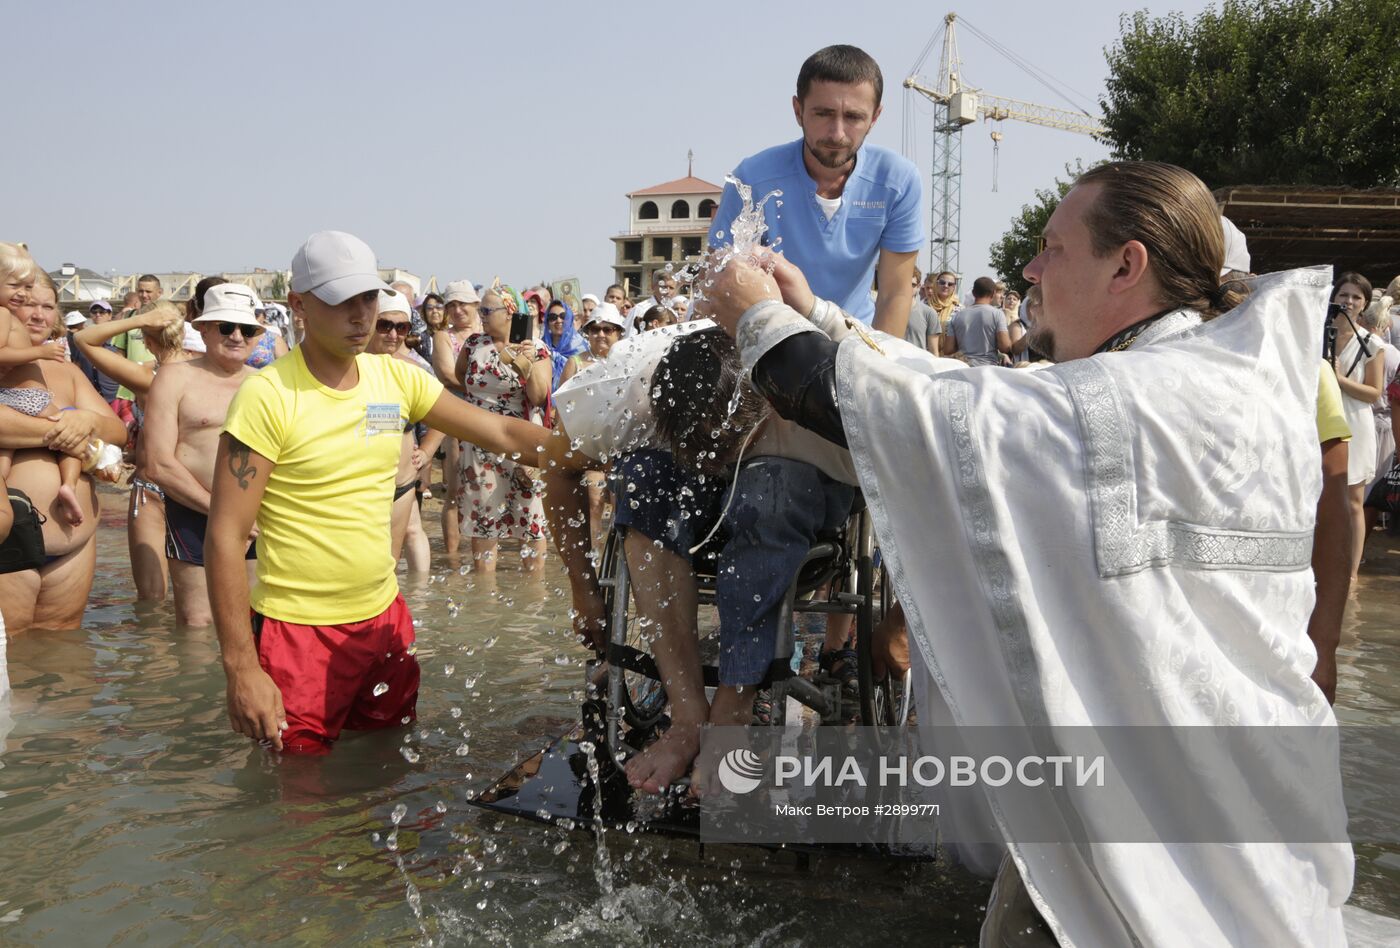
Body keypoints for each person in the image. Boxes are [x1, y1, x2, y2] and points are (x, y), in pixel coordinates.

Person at [706, 160, 1351, 945]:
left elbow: (937, 420)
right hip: (1235, 808)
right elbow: (965, 396)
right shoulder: (1201, 378)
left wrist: (759, 321)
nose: (1028, 268)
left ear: (1127, 264)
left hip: (1152, 859)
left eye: (1052, 247)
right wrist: (820, 315)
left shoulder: (1132, 397)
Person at [207, 231, 553, 754]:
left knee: (388, 768)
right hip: (298, 631)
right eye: (340, 300)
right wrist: (240, 667)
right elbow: (226, 537)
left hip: (383, 619)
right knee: (301, 800)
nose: (359, 314)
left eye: (368, 297)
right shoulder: (267, 395)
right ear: (298, 306)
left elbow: (502, 432)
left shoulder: (394, 379)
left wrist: (593, 452)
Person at [708, 44, 921, 338]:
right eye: (823, 114)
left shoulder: (898, 181)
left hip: (854, 337)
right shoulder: (751, 179)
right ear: (798, 110)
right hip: (772, 341)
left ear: (875, 117)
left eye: (854, 117)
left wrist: (880, 369)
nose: (837, 133)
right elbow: (719, 280)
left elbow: (895, 293)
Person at [0, 282, 126, 633]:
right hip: (9, 536)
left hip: (75, 544)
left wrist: (88, 421)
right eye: (27, 305)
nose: (39, 314)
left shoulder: (68, 371)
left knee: (67, 655)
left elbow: (117, 431)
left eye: (48, 305)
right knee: (11, 650)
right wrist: (67, 436)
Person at [142, 284, 261, 627]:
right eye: (226, 327)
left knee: (254, 620)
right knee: (198, 624)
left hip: (258, 519)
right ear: (203, 328)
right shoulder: (175, 378)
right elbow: (158, 464)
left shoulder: (267, 382)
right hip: (194, 513)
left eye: (247, 329)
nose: (237, 336)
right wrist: (224, 512)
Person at [73, 302, 193, 602]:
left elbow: (84, 339)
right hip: (196, 489)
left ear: (147, 341)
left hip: (152, 492)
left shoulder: (149, 379)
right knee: (196, 602)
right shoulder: (205, 373)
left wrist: (139, 318)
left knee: (151, 601)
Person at [452, 288, 551, 572]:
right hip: (480, 443)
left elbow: (537, 396)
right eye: (480, 311)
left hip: (521, 443)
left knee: (530, 519)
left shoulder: (537, 348)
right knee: (485, 522)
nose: (479, 316)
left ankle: (533, 600)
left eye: (486, 311)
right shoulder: (473, 345)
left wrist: (527, 365)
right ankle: (484, 602)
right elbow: (462, 378)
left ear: (509, 313)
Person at [367, 290, 443, 572]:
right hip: (360, 483)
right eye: (385, 325)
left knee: (409, 535)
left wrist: (426, 453)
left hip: (401, 479)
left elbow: (441, 420)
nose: (393, 334)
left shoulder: (414, 370)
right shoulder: (346, 367)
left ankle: (419, 602)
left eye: (402, 328)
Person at [1329, 272, 1383, 582]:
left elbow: (1374, 393)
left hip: (1355, 422)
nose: (1348, 301)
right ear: (1334, 298)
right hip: (1319, 419)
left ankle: (1350, 574)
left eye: (1355, 297)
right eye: (1344, 295)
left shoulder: (1372, 343)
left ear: (1364, 304)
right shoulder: (1319, 334)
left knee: (1353, 501)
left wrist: (1340, 381)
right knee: (1317, 496)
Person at [429, 280, 483, 555]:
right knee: (455, 489)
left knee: (485, 490)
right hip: (457, 416)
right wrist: (487, 386)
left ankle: (482, 560)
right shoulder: (443, 337)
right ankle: (451, 557)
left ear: (476, 304)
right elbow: (447, 375)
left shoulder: (488, 333)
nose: (457, 309)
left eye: (463, 303)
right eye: (451, 305)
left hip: (490, 416)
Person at [944, 276, 1011, 366]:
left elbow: (948, 349)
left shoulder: (957, 316)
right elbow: (1005, 347)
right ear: (993, 293)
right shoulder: (997, 314)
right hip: (988, 368)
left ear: (973, 293)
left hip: (964, 366)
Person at [542, 299, 588, 390]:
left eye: (563, 316)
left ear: (570, 319)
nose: (558, 320)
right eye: (552, 317)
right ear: (547, 322)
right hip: (544, 401)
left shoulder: (581, 345)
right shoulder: (541, 346)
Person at [904, 267, 941, 354]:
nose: (908, 288)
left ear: (918, 287)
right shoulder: (886, 312)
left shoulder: (928, 313)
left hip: (918, 365)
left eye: (912, 285)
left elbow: (934, 350)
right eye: (905, 283)